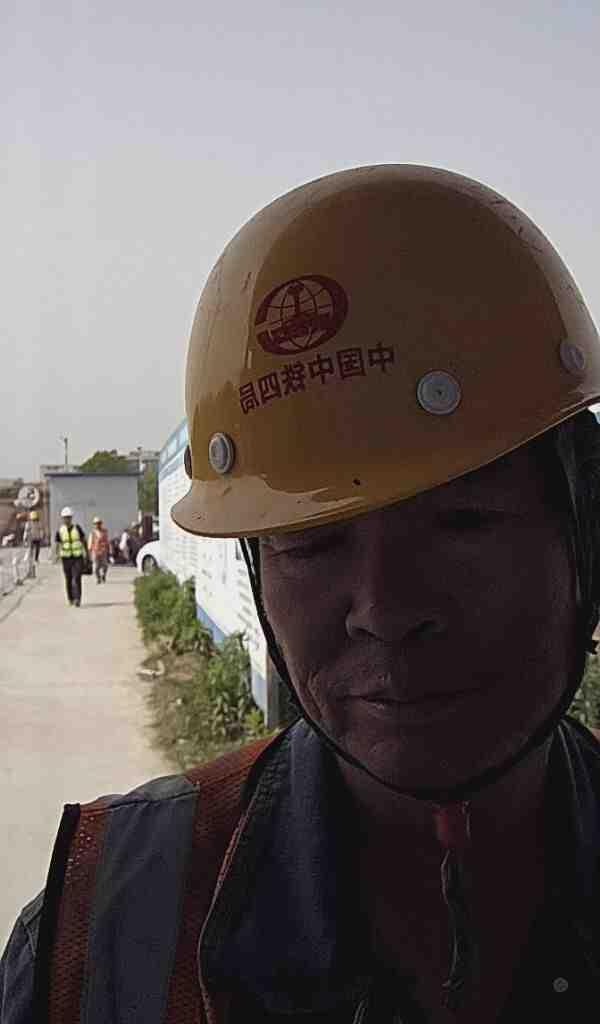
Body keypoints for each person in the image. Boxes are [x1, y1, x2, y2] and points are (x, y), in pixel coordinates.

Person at [3, 166, 600, 1023]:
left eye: (462, 523)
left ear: (582, 529)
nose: (385, 610)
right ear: (258, 569)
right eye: (313, 544)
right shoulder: (100, 935)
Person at [53, 506, 87, 607]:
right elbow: (57, 544)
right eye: (65, 518)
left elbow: (83, 540)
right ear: (62, 519)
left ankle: (78, 599)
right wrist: (56, 555)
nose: (67, 519)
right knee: (68, 578)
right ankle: (70, 598)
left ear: (71, 518)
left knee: (77, 577)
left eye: (68, 517)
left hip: (77, 557)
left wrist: (87, 553)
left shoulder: (77, 528)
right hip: (66, 558)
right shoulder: (60, 530)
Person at [87, 515, 110, 583]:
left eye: (99, 523)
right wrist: (89, 552)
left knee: (105, 566)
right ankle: (98, 578)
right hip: (95, 552)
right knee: (95, 567)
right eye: (96, 523)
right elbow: (90, 543)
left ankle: (103, 575)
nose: (97, 525)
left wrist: (109, 549)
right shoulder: (92, 533)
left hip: (103, 551)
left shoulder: (105, 531)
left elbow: (107, 541)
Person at [22, 511, 41, 575]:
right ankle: (29, 559)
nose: (34, 521)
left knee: (38, 549)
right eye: (33, 519)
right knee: (30, 549)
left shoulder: (38, 523)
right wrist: (24, 538)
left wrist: (41, 535)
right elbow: (26, 531)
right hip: (31, 538)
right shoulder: (28, 524)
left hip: (37, 538)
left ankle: (36, 559)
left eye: (35, 519)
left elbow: (41, 529)